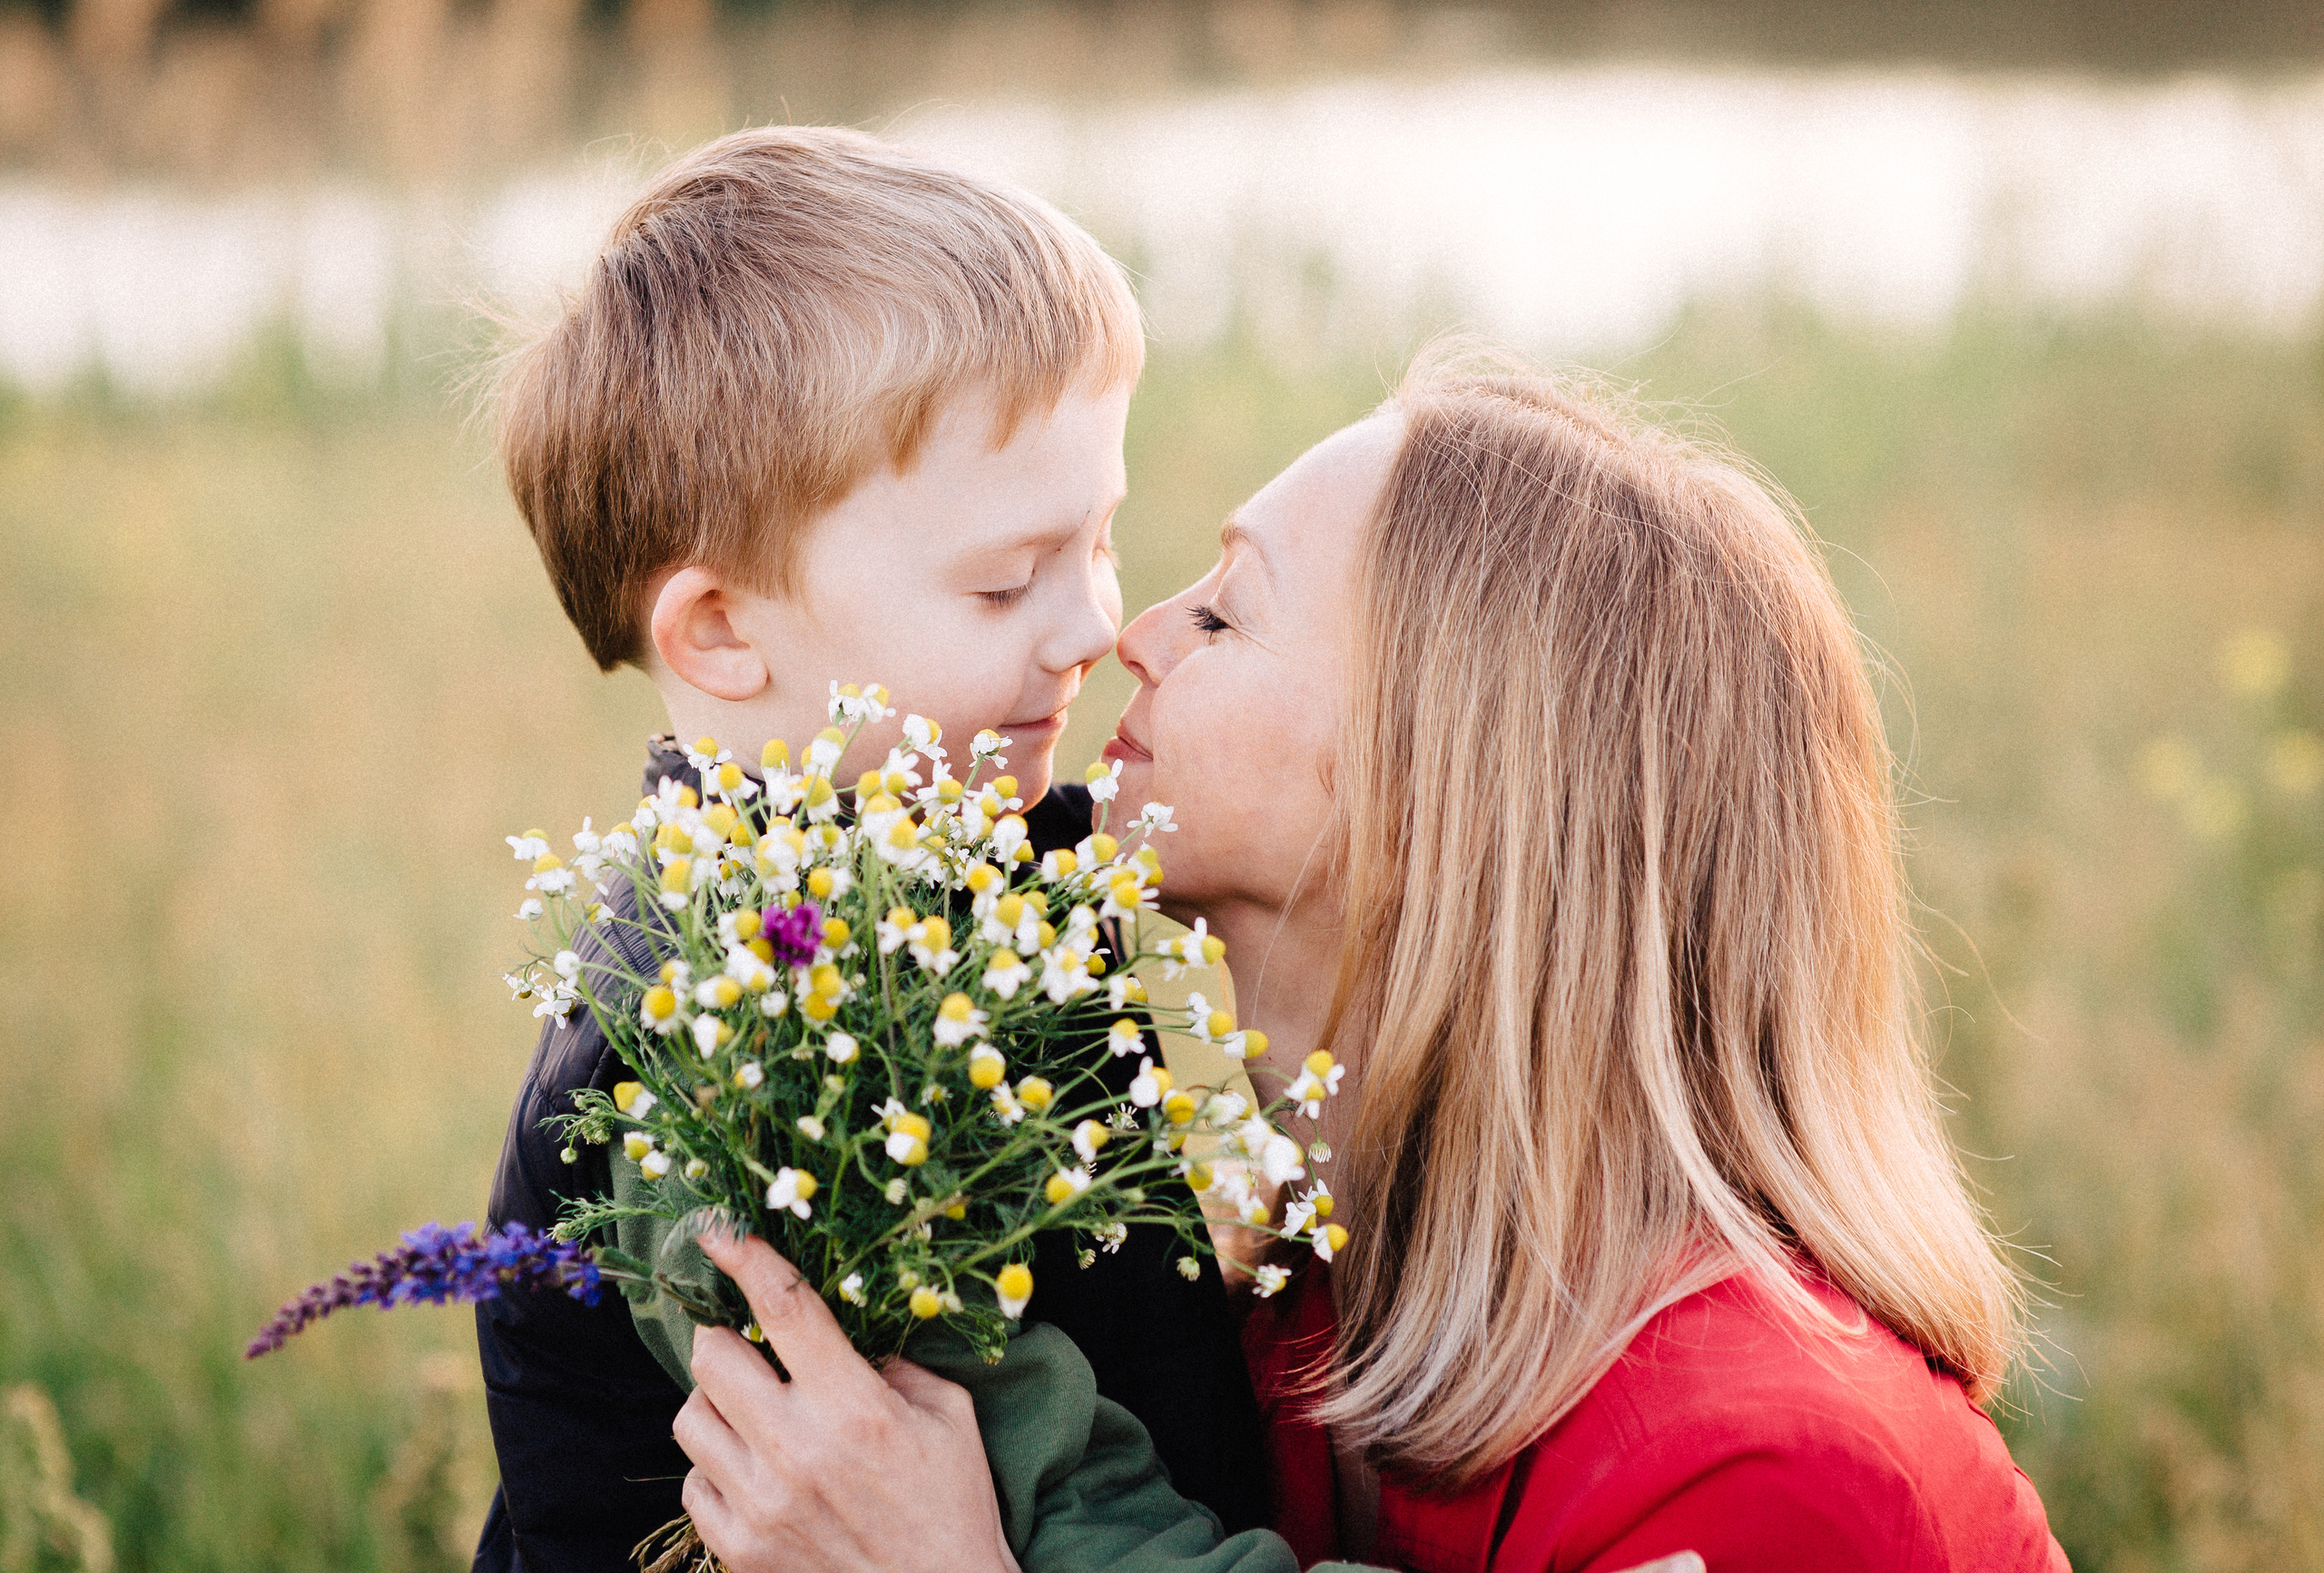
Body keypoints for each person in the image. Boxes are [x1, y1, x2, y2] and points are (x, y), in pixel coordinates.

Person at [669, 355, 2072, 1571]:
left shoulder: (1769, 1473)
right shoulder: (1308, 1323)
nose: (1128, 636)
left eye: (1224, 614)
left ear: (1444, 797)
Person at [471, 125, 1265, 1570]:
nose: (1097, 624)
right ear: (721, 632)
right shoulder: (749, 1054)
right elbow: (1061, 1511)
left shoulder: (958, 866)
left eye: (1098, 541)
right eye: (1006, 581)